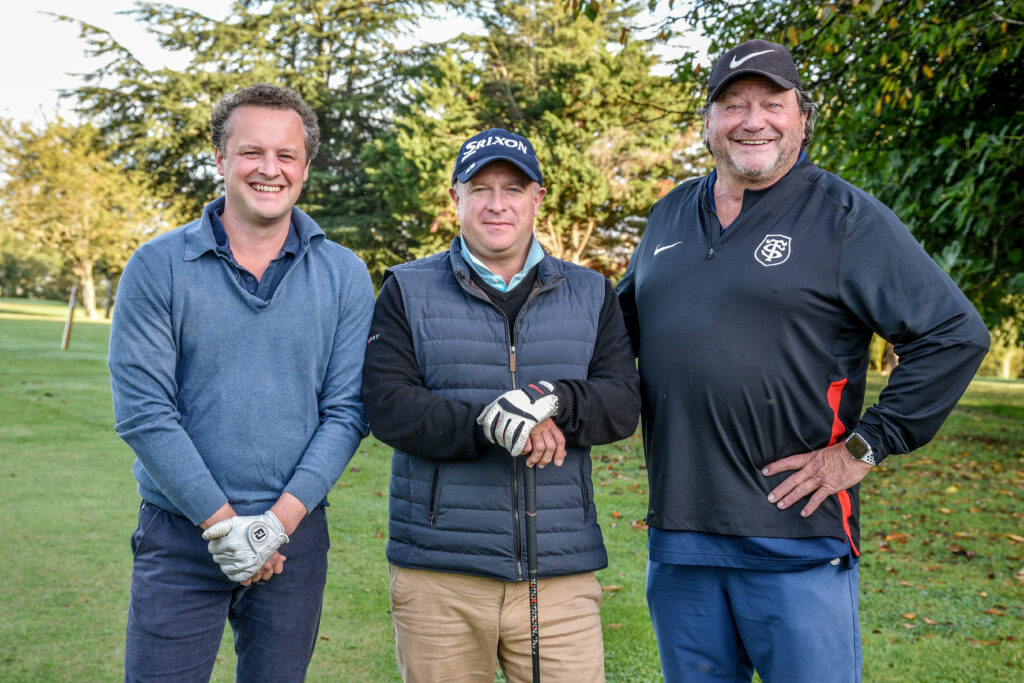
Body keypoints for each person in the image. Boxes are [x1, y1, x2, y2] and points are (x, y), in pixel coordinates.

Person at [616, 39, 990, 683]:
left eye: (772, 104)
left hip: (795, 537)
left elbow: (954, 335)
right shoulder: (671, 213)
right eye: (734, 104)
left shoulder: (844, 218)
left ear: (802, 118)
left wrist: (864, 448)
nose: (753, 120)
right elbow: (615, 334)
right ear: (708, 121)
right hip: (681, 536)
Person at [108, 83, 374, 682]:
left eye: (286, 155)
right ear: (221, 158)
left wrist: (275, 525)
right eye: (252, 152)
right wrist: (224, 524)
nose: (269, 169)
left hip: (294, 537)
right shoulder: (156, 266)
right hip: (181, 535)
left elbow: (347, 411)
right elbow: (145, 412)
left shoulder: (345, 275)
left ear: (305, 166)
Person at [362, 128, 641, 682]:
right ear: (455, 198)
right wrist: (497, 424)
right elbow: (389, 406)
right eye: (480, 188)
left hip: (560, 575)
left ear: (537, 198)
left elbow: (622, 403)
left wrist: (552, 399)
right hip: (440, 575)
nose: (497, 204)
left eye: (513, 188)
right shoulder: (406, 289)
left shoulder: (592, 291)